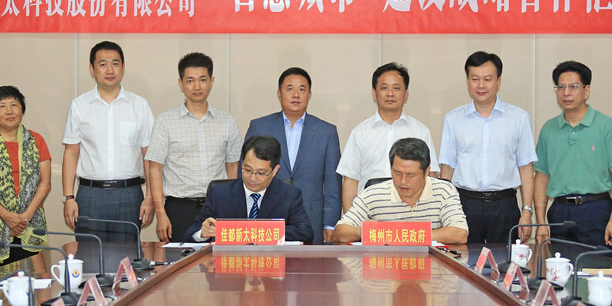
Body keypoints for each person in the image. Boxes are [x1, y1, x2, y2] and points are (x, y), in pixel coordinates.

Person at [439, 51, 537, 244]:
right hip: (464, 204)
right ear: (468, 81)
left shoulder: (518, 118)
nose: (481, 85)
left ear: (498, 81)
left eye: (487, 79)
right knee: (462, 260)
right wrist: (444, 211)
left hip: (504, 205)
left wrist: (527, 211)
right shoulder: (453, 119)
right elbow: (447, 168)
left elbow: (526, 168)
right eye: (475, 79)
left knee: (505, 260)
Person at [62, 41, 155, 242]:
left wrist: (150, 197)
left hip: (129, 194)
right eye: (103, 64)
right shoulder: (79, 106)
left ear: (123, 67)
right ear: (92, 69)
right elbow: (71, 152)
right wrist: (69, 197)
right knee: (88, 255)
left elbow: (149, 155)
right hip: (90, 195)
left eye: (115, 63)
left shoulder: (139, 106)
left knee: (128, 256)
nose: (110, 70)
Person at [146, 52, 242, 243]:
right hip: (179, 208)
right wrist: (160, 213)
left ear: (211, 81)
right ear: (181, 83)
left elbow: (233, 167)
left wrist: (232, 207)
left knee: (218, 260)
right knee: (178, 259)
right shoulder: (166, 121)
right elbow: (155, 169)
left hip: (217, 207)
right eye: (190, 81)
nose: (197, 86)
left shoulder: (226, 121)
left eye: (203, 80)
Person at [534, 61, 612, 249]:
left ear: (586, 91)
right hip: (560, 211)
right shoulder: (549, 129)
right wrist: (540, 221)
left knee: (599, 265)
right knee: (559, 266)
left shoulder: (605, 125)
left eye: (573, 87)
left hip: (596, 209)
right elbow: (541, 177)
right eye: (561, 87)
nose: (566, 93)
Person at [244, 67, 342, 244]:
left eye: (302, 89)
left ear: (309, 94)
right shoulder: (259, 127)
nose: (296, 94)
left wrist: (330, 224)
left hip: (311, 219)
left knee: (310, 262)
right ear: (279, 93)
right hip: (266, 217)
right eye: (290, 89)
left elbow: (332, 184)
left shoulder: (326, 132)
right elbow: (244, 174)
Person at [336, 63, 438, 213]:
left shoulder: (420, 131)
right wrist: (351, 221)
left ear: (406, 94)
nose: (390, 93)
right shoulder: (360, 133)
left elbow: (431, 177)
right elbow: (350, 182)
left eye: (396, 88)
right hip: (369, 213)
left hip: (411, 214)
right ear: (374, 93)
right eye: (384, 88)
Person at [0, 86, 51, 271]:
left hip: (29, 222)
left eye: (14, 104)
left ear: (22, 109)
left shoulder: (36, 140)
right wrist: (7, 216)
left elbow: (45, 184)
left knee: (34, 279)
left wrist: (24, 218)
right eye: (2, 106)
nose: (9, 111)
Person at [333, 138, 468, 244]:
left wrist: (403, 235)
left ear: (427, 171)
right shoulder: (373, 194)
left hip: (431, 268)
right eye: (397, 173)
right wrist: (371, 232)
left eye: (410, 175)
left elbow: (460, 234)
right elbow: (340, 232)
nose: (403, 181)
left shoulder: (444, 191)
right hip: (385, 268)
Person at [184, 136, 312, 243]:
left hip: (271, 263)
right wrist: (203, 233)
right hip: (230, 263)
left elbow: (305, 232)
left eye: (260, 173)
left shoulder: (289, 195)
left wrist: (254, 232)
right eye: (247, 170)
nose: (252, 178)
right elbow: (190, 234)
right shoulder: (220, 194)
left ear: (275, 170)